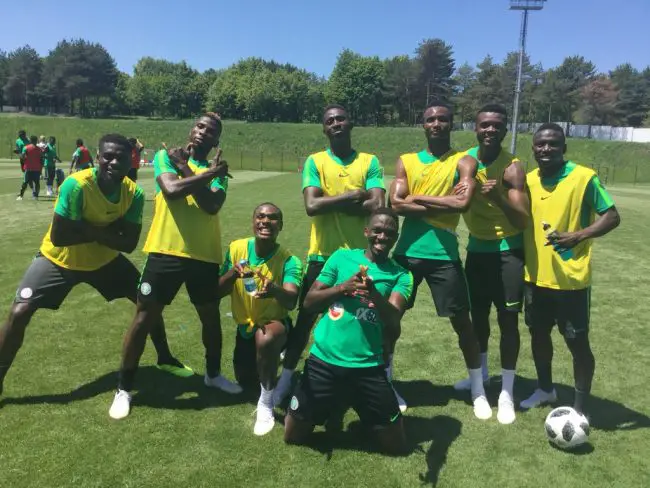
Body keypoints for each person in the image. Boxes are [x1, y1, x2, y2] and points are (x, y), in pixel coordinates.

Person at [0, 134, 184, 399]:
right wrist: (107, 231)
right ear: (97, 158)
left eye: (121, 158)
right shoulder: (76, 185)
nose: (113, 162)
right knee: (19, 312)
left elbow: (129, 243)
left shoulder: (134, 194)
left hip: (105, 261)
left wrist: (84, 228)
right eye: (107, 156)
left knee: (148, 299)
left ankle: (165, 357)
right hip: (59, 259)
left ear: (130, 160)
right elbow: (59, 237)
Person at [110, 113, 240, 420]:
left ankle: (212, 375)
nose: (203, 132)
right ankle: (124, 389)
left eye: (211, 131)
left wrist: (192, 170)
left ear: (216, 140)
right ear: (192, 129)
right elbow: (171, 190)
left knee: (210, 319)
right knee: (144, 318)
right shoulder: (164, 157)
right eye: (200, 126)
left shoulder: (215, 170)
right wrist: (204, 173)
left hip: (204, 254)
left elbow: (211, 206)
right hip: (165, 251)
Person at [273, 104, 391, 408]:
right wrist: (353, 196)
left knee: (369, 321)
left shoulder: (369, 161)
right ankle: (285, 382)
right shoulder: (315, 161)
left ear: (350, 124)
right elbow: (312, 206)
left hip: (361, 259)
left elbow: (378, 205)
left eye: (341, 119)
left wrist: (332, 201)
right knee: (306, 322)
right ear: (324, 129)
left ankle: (380, 382)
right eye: (330, 121)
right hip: (322, 256)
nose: (336, 123)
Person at [389, 102, 492, 420]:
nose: (436, 123)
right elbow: (396, 205)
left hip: (443, 255)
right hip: (406, 253)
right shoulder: (406, 161)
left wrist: (418, 197)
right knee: (389, 319)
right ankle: (385, 383)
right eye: (431, 119)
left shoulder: (465, 161)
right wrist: (443, 201)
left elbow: (462, 204)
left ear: (451, 123)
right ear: (423, 125)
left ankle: (478, 391)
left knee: (463, 324)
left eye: (443, 119)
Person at [284, 208, 412, 455]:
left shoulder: (402, 275)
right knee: (293, 436)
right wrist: (342, 288)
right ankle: (335, 399)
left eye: (389, 233)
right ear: (366, 231)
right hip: (324, 361)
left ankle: (352, 400)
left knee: (396, 446)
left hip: (367, 366)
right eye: (377, 231)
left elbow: (393, 318)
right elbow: (309, 302)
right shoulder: (341, 258)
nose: (382, 237)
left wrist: (374, 294)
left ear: (396, 237)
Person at [520, 123, 620, 415]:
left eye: (553, 144)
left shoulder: (583, 177)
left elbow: (612, 216)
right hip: (535, 277)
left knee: (577, 343)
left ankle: (579, 407)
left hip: (571, 281)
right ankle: (545, 389)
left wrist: (578, 235)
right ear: (533, 148)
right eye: (540, 144)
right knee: (538, 336)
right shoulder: (528, 180)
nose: (546, 149)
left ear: (564, 148)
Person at [453, 104, 530, 424]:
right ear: (475, 128)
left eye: (497, 125)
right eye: (484, 124)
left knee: (508, 320)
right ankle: (481, 376)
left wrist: (498, 196)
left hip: (508, 251)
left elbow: (522, 220)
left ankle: (507, 393)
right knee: (478, 319)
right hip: (476, 250)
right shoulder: (464, 161)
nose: (490, 130)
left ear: (505, 130)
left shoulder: (512, 168)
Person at [218, 202, 303, 436]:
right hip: (245, 327)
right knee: (246, 381)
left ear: (281, 225)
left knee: (266, 339)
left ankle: (266, 403)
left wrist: (274, 290)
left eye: (273, 218)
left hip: (274, 325)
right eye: (261, 216)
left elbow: (291, 300)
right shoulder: (236, 248)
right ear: (253, 221)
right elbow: (217, 290)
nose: (266, 221)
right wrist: (233, 273)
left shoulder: (290, 261)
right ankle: (271, 356)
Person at [17, 135, 44, 200]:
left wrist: (19, 154)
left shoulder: (26, 148)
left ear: (30, 140)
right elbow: (41, 160)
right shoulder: (39, 149)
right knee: (37, 183)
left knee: (25, 182)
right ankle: (36, 196)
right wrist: (40, 170)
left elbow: (22, 157)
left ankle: (21, 196)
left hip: (28, 168)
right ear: (36, 141)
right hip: (37, 169)